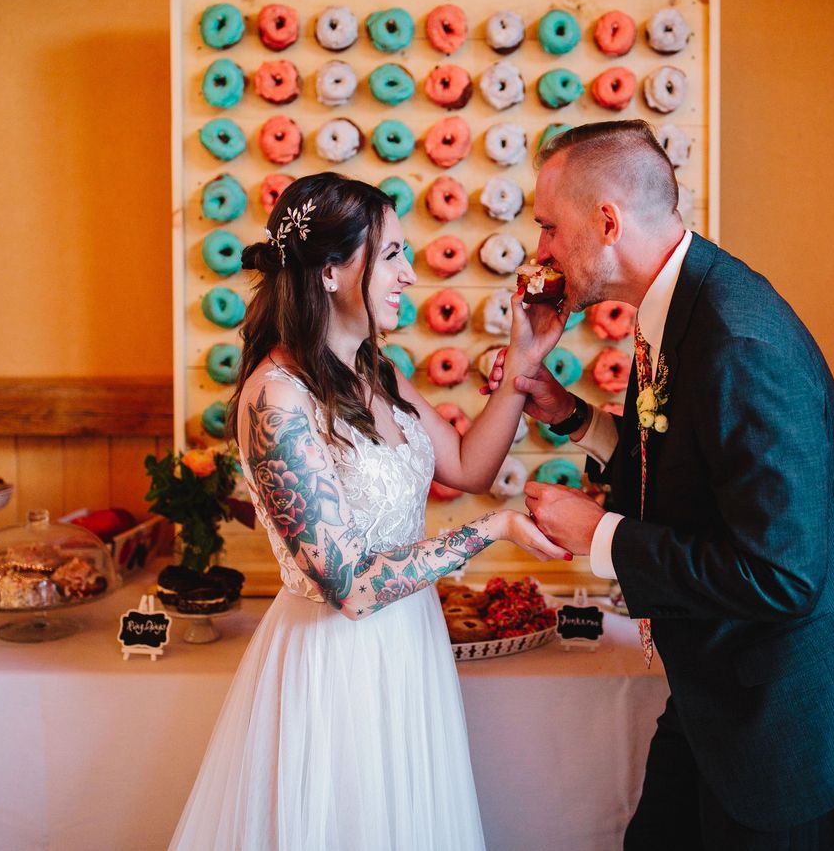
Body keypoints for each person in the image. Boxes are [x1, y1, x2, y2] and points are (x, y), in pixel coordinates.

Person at [492, 121, 834, 849]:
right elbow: (697, 465)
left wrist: (598, 534)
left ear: (606, 221)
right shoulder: (679, 305)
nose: (539, 249)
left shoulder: (739, 338)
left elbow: (780, 572)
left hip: (782, 717)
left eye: (547, 226)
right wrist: (576, 419)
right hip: (719, 693)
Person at [169, 172, 568, 850]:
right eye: (390, 257)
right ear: (330, 271)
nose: (409, 275)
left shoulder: (377, 371)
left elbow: (469, 466)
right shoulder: (277, 398)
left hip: (409, 647)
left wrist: (526, 356)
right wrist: (491, 530)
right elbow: (349, 587)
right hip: (336, 664)